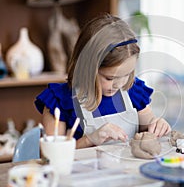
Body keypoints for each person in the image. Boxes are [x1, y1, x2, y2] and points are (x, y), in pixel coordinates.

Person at [35, 13, 171, 149]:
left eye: (127, 74)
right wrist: (89, 140)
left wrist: (157, 125)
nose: (119, 84)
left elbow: (149, 126)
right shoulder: (59, 100)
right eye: (110, 78)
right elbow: (50, 156)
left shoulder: (133, 91)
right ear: (87, 68)